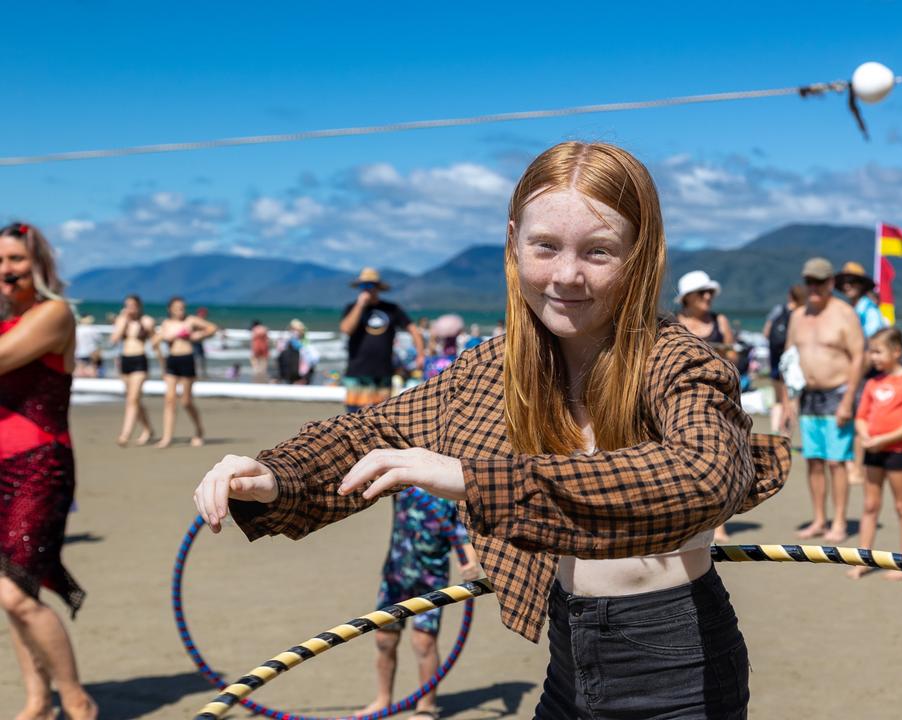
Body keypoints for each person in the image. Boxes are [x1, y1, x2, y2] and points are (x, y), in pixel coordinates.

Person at [192, 141, 789, 719]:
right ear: (513, 244)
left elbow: (704, 475)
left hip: (674, 659)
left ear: (641, 254)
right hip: (569, 654)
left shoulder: (677, 360)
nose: (567, 276)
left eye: (599, 252)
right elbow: (371, 432)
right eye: (546, 246)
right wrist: (277, 474)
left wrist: (476, 479)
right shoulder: (494, 369)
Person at [0, 221, 97, 720]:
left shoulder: (54, 315)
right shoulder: (5, 317)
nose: (5, 270)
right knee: (16, 588)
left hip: (39, 466)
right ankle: (38, 702)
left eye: (15, 259)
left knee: (14, 594)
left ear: (38, 264)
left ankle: (78, 703)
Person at [357, 493, 481, 720]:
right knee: (384, 639)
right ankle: (383, 699)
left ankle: (427, 706)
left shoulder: (449, 493)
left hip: (431, 581)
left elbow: (464, 538)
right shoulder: (404, 485)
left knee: (423, 642)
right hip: (395, 575)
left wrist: (470, 565)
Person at [784, 257, 866, 543]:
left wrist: (848, 401)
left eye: (819, 282)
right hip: (808, 396)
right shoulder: (797, 316)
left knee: (836, 461)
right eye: (809, 282)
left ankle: (840, 521)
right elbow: (789, 360)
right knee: (814, 460)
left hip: (837, 393)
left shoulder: (844, 314)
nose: (814, 287)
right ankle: (819, 519)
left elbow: (859, 357)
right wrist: (787, 401)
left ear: (831, 282)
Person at [848, 328, 902, 580]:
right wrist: (866, 435)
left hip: (897, 452)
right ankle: (863, 559)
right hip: (873, 452)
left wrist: (884, 439)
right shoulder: (872, 382)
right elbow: (860, 416)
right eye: (871, 351)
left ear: (897, 351)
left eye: (878, 351)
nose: (874, 357)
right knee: (870, 505)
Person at [674, 269, 738, 544]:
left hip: (720, 397)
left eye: (710, 291)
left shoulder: (719, 321)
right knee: (684, 460)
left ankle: (719, 525)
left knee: (721, 460)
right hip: (681, 400)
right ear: (688, 297)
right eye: (703, 292)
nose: (709, 296)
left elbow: (734, 355)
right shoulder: (673, 323)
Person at [340, 268, 425, 413]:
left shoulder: (391, 309)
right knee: (353, 417)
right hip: (357, 371)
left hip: (383, 371)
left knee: (379, 416)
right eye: (363, 286)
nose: (367, 289)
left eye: (370, 285)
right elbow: (346, 329)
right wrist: (360, 305)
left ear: (378, 287)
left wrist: (421, 354)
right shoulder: (352, 308)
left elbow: (413, 330)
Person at [835, 261, 886, 485]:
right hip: (853, 374)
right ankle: (853, 466)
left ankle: (857, 469)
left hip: (863, 375)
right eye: (845, 282)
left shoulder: (869, 311)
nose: (848, 286)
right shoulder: (854, 309)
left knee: (859, 420)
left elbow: (870, 349)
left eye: (852, 281)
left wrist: (854, 379)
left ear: (862, 285)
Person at [154, 296, 218, 448]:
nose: (180, 310)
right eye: (177, 307)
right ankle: (167, 437)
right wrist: (163, 338)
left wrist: (198, 335)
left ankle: (199, 430)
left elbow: (212, 328)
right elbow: (155, 342)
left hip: (187, 359)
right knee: (169, 400)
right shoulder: (166, 324)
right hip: (172, 360)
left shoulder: (190, 321)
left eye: (182, 307)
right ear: (170, 309)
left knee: (186, 401)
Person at [110, 294, 155, 446]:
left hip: (140, 360)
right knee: (134, 400)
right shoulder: (122, 321)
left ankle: (125, 434)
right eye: (127, 305)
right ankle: (148, 429)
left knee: (132, 399)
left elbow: (155, 341)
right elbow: (114, 339)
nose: (130, 308)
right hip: (125, 360)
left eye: (133, 305)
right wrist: (123, 321)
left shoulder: (146, 321)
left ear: (139, 306)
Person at [763, 285, 805, 434]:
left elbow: (766, 333)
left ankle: (775, 431)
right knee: (792, 399)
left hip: (776, 360)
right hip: (793, 363)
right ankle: (786, 434)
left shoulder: (778, 310)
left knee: (778, 399)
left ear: (790, 296)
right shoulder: (801, 313)